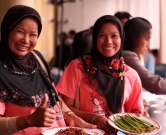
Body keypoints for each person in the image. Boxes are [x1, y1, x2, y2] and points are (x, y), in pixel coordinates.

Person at [0, 5, 96, 135]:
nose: (26, 40)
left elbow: (53, 97)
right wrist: (28, 120)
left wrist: (70, 116)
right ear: (7, 30)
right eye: (20, 32)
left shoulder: (36, 58)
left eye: (33, 34)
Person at [56, 15, 148, 135]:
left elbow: (135, 113)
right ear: (94, 39)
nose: (108, 41)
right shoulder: (77, 67)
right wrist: (94, 117)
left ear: (121, 39)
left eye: (114, 36)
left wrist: (142, 115)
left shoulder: (131, 75)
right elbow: (64, 109)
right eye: (102, 36)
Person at [123, 17, 166, 94]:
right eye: (146, 39)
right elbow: (154, 83)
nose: (148, 45)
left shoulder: (134, 56)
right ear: (134, 37)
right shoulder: (128, 56)